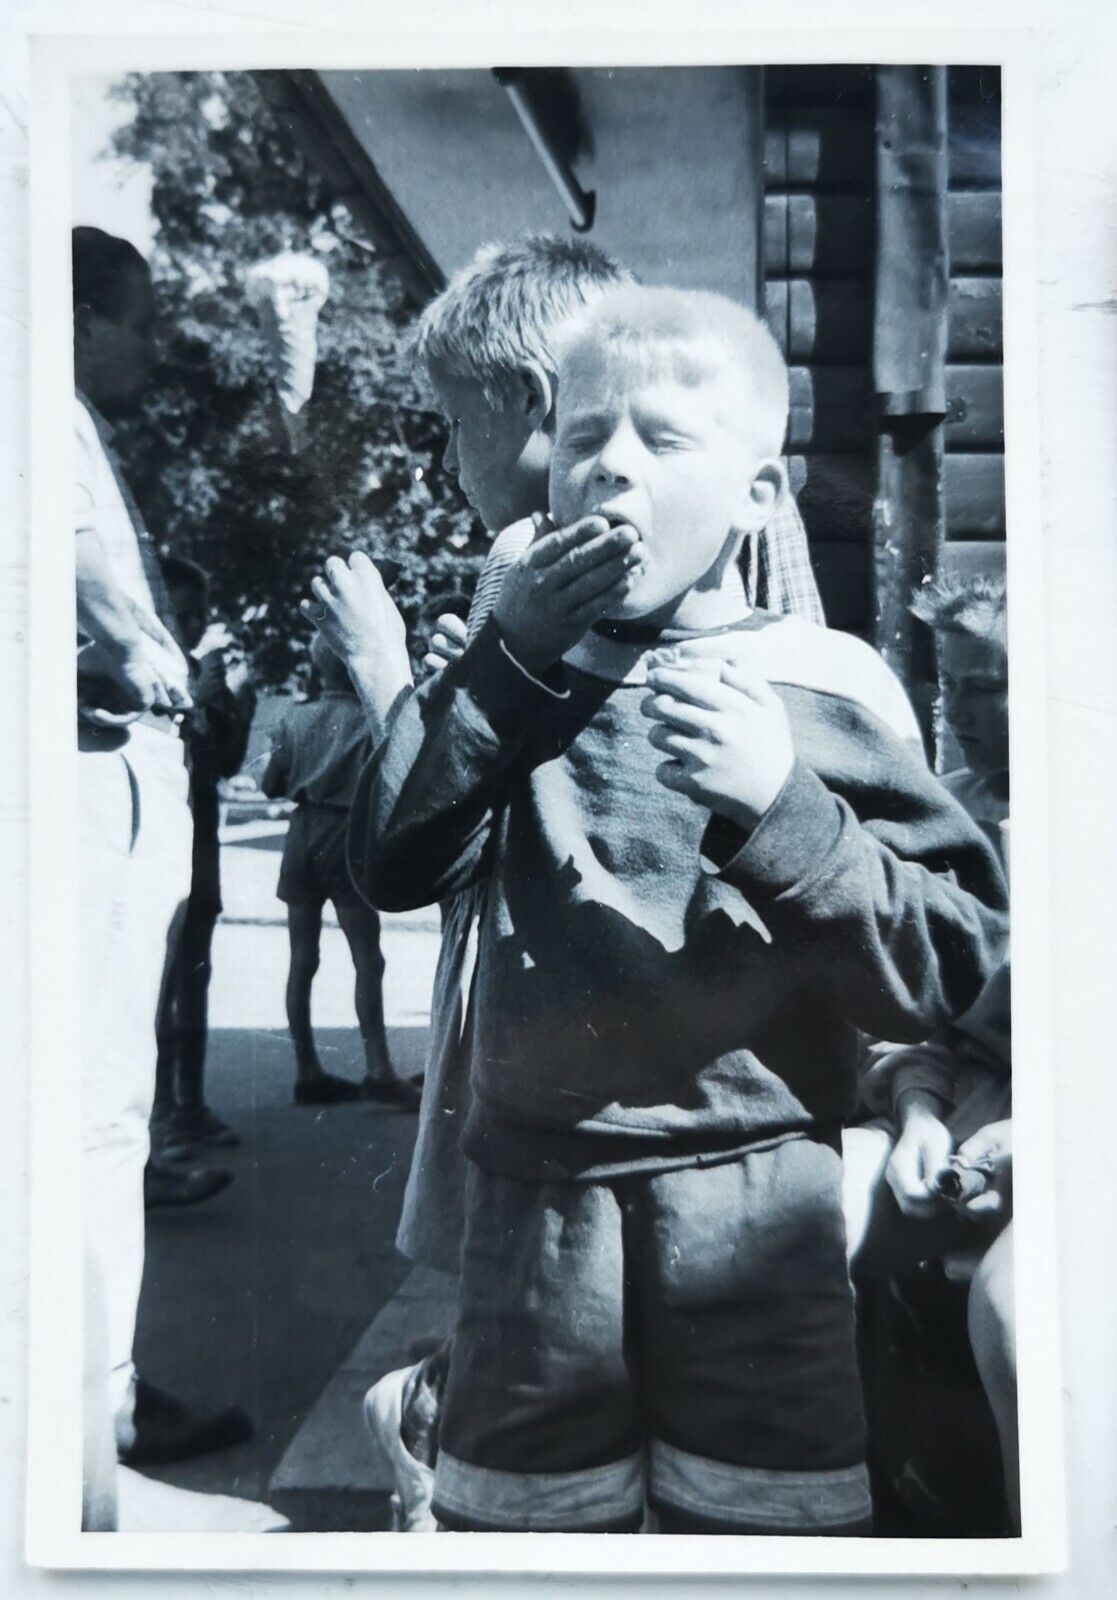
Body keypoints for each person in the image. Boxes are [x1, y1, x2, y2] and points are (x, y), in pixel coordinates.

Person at [349, 283, 1008, 1534]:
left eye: (660, 440)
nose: (610, 471)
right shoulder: (517, 681)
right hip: (537, 1216)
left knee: (760, 1529)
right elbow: (390, 860)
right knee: (531, 1533)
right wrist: (502, 664)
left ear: (757, 496)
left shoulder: (815, 692)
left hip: (760, 1210)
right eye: (584, 436)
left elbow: (959, 959)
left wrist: (783, 808)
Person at [306, 235, 831, 1529]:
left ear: (534, 409)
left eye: (451, 426)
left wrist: (392, 683)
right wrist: (467, 674)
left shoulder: (704, 542)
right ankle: (459, 1423)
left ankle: (443, 1411)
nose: (443, 464)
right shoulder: (523, 575)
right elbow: (432, 845)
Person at [73, 227, 253, 1500]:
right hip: (91, 766)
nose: (151, 345)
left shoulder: (61, 417)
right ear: (80, 313)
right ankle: (100, 1405)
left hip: (90, 759)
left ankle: (99, 1383)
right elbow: (96, 594)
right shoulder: (45, 412)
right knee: (97, 1111)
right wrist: (155, 658)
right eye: (136, 318)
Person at [843, 572, 1016, 1528]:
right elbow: (907, 1008)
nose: (964, 713)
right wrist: (912, 1105)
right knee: (806, 1222)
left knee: (1015, 1309)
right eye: (952, 685)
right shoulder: (939, 819)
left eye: (989, 684)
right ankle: (862, 1517)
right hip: (955, 1116)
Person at [260, 633, 419, 1109]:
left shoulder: (295, 716)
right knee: (367, 959)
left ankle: (307, 1068)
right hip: (345, 836)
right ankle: (379, 1068)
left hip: (301, 832)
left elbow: (271, 784)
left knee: (301, 957)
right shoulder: (369, 719)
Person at [151, 555, 257, 1163]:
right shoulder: (144, 669)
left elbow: (227, 763)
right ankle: (160, 1109)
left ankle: (189, 1105)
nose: (189, 625)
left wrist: (232, 704)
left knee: (195, 973)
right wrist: (195, 701)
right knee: (157, 980)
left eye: (198, 614)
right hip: (158, 845)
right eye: (179, 612)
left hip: (200, 845)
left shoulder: (207, 673)